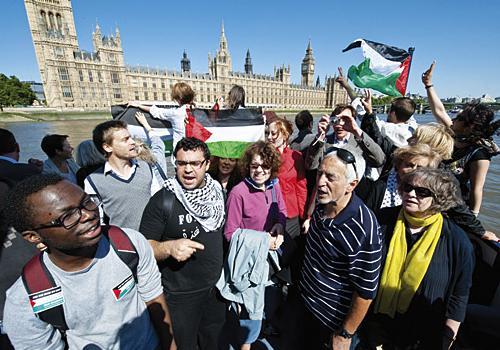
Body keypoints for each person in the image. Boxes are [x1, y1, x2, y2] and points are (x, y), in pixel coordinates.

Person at [2, 174, 173, 349]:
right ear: (33, 236)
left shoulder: (129, 244)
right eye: (67, 216)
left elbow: (155, 303)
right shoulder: (25, 302)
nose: (88, 215)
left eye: (87, 202)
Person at [361, 168, 474, 350]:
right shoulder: (381, 220)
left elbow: (459, 297)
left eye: (422, 192)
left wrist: (446, 341)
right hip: (372, 325)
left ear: (439, 198)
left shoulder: (457, 242)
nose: (411, 194)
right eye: (407, 187)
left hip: (420, 335)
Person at [139, 137, 226, 350]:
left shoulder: (217, 193)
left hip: (216, 290)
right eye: (182, 163)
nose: (188, 170)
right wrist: (168, 248)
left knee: (213, 343)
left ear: (206, 164)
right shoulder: (162, 200)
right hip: (180, 296)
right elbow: (144, 247)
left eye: (195, 163)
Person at [297, 149, 382, 350]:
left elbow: (366, 291)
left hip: (332, 323)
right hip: (305, 306)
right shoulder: (321, 205)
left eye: (330, 177)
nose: (320, 182)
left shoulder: (363, 230)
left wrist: (345, 334)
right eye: (320, 173)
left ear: (351, 185)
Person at [223, 141, 287, 349]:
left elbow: (282, 213)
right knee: (248, 315)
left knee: (261, 308)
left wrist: (279, 225)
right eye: (254, 166)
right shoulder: (238, 193)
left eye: (264, 166)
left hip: (268, 262)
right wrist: (262, 242)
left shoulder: (275, 186)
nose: (259, 170)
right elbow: (230, 234)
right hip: (248, 264)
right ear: (247, 167)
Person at [422, 61, 500, 216]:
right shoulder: (452, 133)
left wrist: (473, 217)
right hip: (432, 197)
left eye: (459, 117)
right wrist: (428, 84)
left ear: (469, 126)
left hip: (454, 205)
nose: (454, 118)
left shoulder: (479, 154)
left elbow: (477, 188)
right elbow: (439, 110)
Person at [84, 119, 166, 231]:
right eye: (125, 140)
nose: (132, 142)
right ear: (107, 147)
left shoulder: (146, 168)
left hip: (152, 239)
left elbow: (159, 203)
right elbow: (97, 219)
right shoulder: (93, 180)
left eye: (131, 137)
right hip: (122, 244)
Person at [305, 104, 385, 176]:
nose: (340, 124)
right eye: (336, 120)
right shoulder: (324, 141)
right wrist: (320, 136)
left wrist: (357, 131)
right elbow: (310, 166)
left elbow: (379, 160)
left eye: (346, 120)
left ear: (353, 121)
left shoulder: (360, 142)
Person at [129, 81, 195, 160]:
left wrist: (139, 105)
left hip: (181, 151)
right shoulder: (196, 110)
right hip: (195, 149)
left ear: (179, 98)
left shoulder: (175, 113)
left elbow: (157, 111)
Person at [267, 117, 307, 239]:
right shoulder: (264, 157)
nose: (269, 137)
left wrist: (304, 217)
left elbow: (301, 188)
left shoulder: (296, 157)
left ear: (285, 135)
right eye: (267, 133)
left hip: (291, 214)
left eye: (273, 133)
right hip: (269, 212)